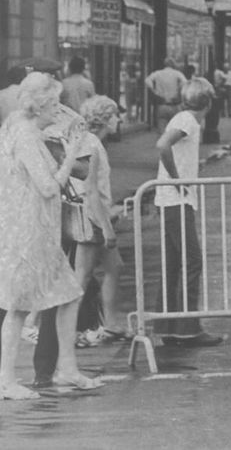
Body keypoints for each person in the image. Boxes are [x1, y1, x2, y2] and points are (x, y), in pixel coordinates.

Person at [0, 72, 102, 399]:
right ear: (41, 105)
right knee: (17, 307)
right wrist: (70, 155)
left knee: (69, 293)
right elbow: (47, 187)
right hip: (29, 232)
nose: (57, 111)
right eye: (54, 104)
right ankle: (6, 380)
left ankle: (67, 369)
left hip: (36, 229)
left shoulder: (21, 129)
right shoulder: (26, 135)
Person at [153, 78, 223, 347]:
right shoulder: (189, 121)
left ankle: (168, 326)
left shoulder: (184, 118)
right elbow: (163, 145)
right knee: (192, 261)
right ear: (207, 102)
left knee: (172, 264)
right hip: (175, 200)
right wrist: (177, 178)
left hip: (169, 200)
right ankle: (188, 327)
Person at [70, 96, 128, 344]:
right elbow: (91, 189)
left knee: (114, 268)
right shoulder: (91, 145)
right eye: (115, 115)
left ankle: (113, 324)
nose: (119, 119)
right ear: (104, 118)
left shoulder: (90, 142)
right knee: (80, 276)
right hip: (93, 215)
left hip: (95, 213)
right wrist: (107, 228)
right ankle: (65, 330)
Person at [145, 58, 186, 133]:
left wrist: (154, 91)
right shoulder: (177, 73)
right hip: (174, 105)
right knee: (175, 129)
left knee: (162, 128)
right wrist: (179, 91)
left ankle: (164, 142)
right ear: (173, 65)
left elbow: (147, 80)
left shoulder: (158, 73)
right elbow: (185, 83)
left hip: (162, 104)